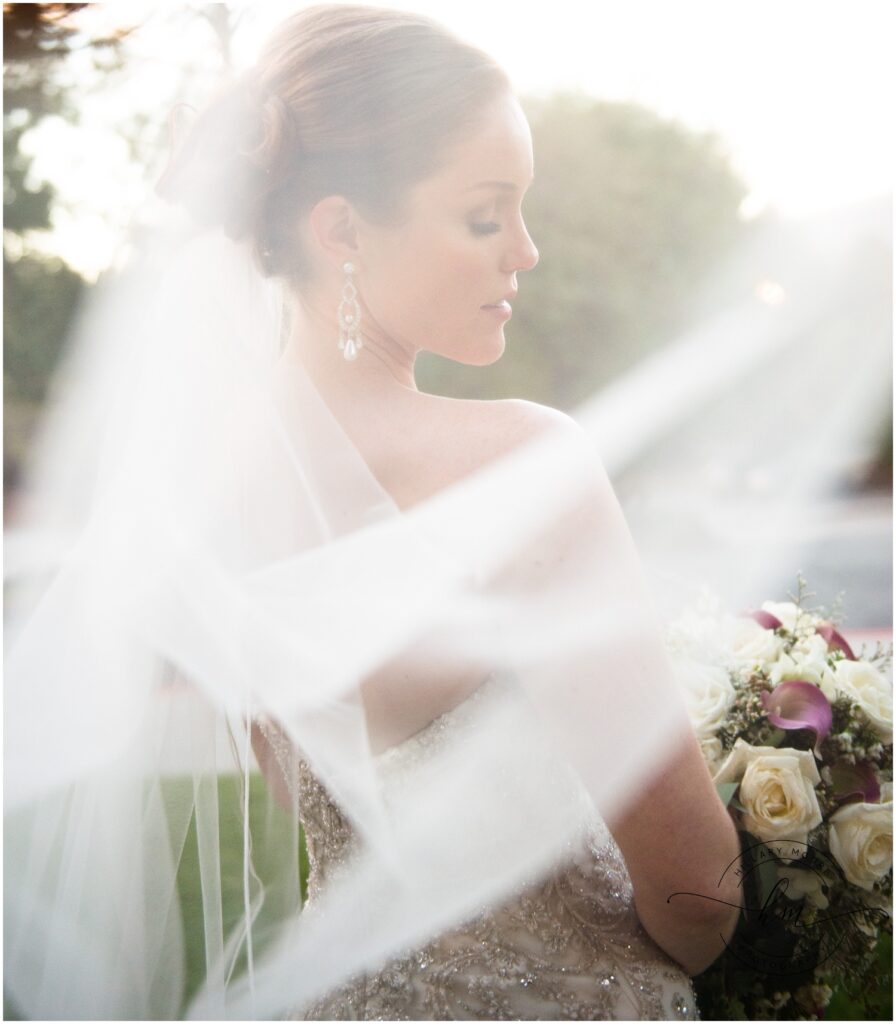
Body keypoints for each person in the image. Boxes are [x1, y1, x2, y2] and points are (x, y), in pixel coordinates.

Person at [4, 5, 740, 1020]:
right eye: (486, 214)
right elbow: (696, 890)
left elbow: (317, 809)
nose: (523, 250)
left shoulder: (199, 492)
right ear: (341, 226)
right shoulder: (525, 466)